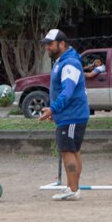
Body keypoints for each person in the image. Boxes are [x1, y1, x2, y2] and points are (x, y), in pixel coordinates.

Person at [39, 29, 90, 201]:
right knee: (73, 150)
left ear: (62, 44)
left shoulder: (69, 64)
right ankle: (72, 187)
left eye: (50, 44)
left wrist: (53, 109)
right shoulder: (63, 61)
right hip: (71, 115)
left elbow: (67, 92)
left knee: (68, 150)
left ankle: (73, 189)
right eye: (46, 44)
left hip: (72, 115)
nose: (47, 47)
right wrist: (57, 111)